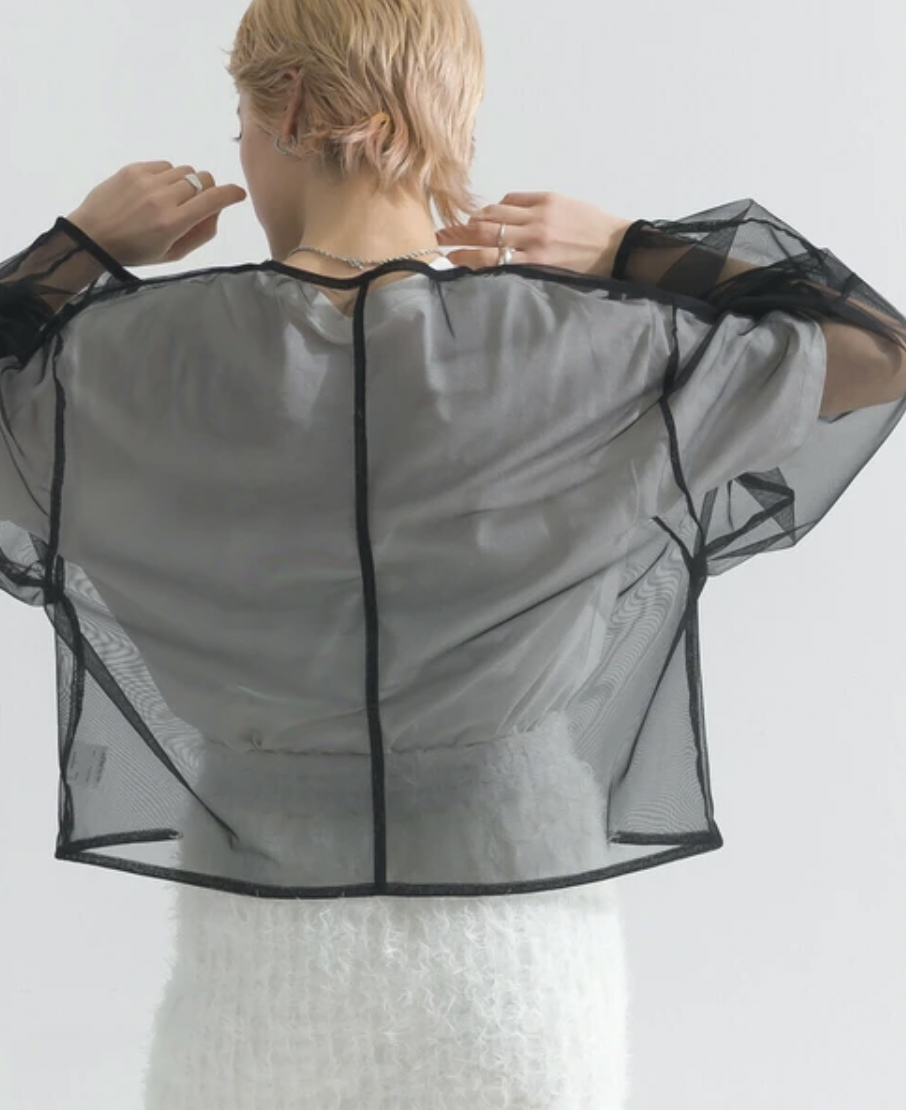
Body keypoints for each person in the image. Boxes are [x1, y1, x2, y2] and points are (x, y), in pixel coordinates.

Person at [2, 2, 906, 1108]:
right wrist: (632, 250)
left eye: (240, 125)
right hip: (517, 960)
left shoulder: (127, 361)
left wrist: (77, 250)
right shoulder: (592, 346)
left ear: (290, 108)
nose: (241, 157)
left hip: (258, 967)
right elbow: (880, 352)